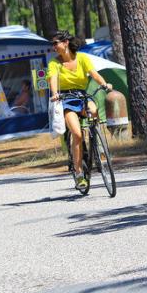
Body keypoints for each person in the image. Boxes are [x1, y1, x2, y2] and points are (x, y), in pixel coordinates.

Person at [47, 30, 112, 190]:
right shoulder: (54, 63)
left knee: (93, 108)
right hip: (66, 100)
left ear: (65, 43)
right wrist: (55, 93)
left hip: (82, 96)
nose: (53, 47)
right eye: (52, 44)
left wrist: (105, 84)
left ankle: (96, 142)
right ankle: (79, 173)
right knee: (76, 134)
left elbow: (94, 74)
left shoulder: (82, 58)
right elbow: (53, 79)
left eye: (55, 43)